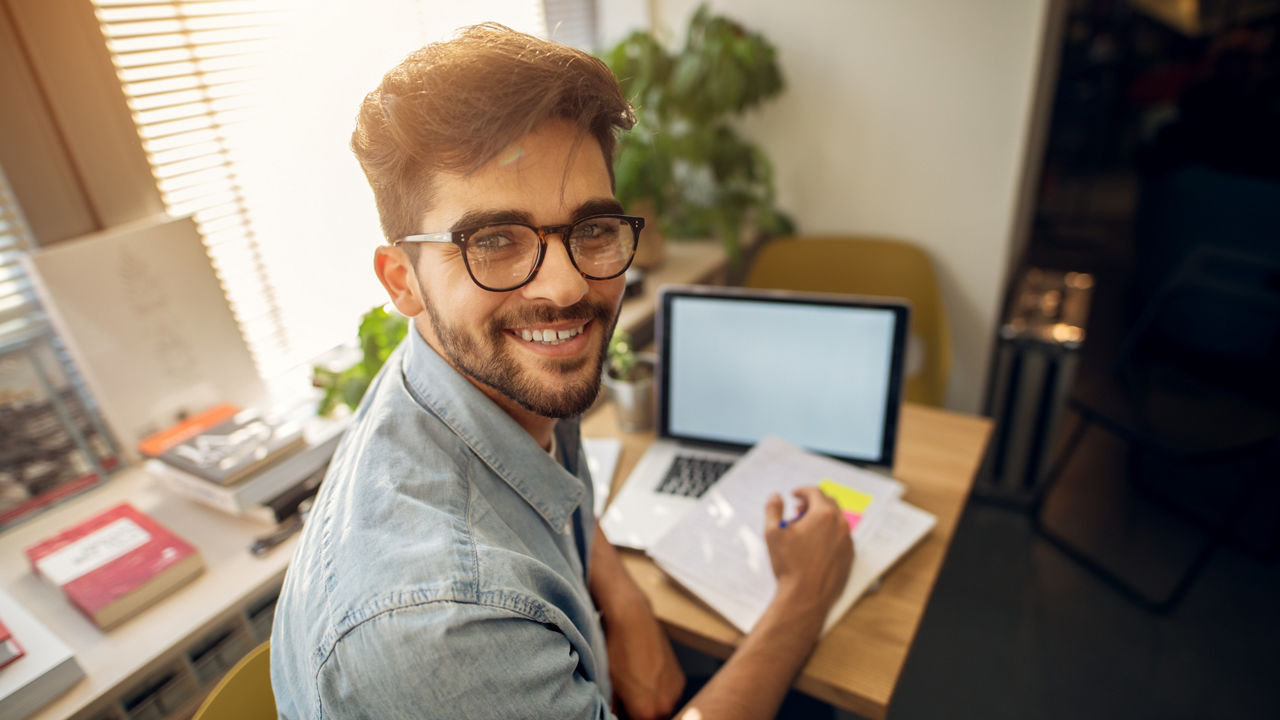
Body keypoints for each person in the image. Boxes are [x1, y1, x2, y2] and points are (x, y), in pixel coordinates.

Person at [270, 23, 854, 720]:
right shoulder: (440, 629)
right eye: (493, 241)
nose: (567, 288)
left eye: (593, 229)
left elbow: (542, 487)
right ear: (403, 281)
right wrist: (802, 598)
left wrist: (626, 598)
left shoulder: (481, 381)